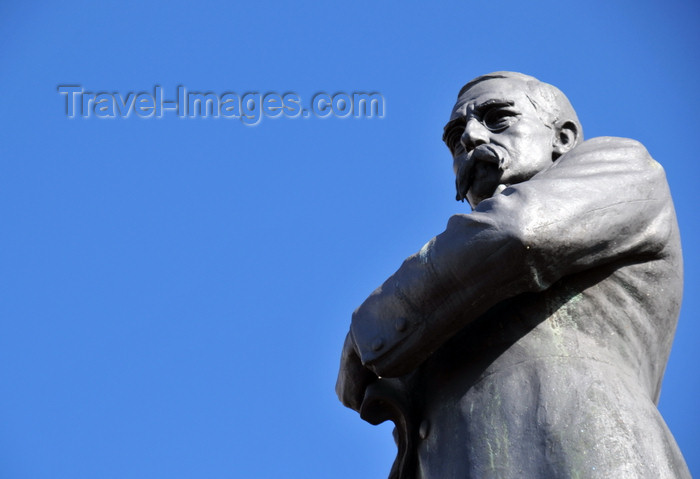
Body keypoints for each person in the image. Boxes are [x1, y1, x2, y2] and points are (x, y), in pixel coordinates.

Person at [336, 72, 690, 479]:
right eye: (455, 138)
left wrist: (365, 334)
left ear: (563, 138)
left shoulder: (624, 167)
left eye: (496, 118)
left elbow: (518, 233)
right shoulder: (451, 281)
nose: (469, 137)